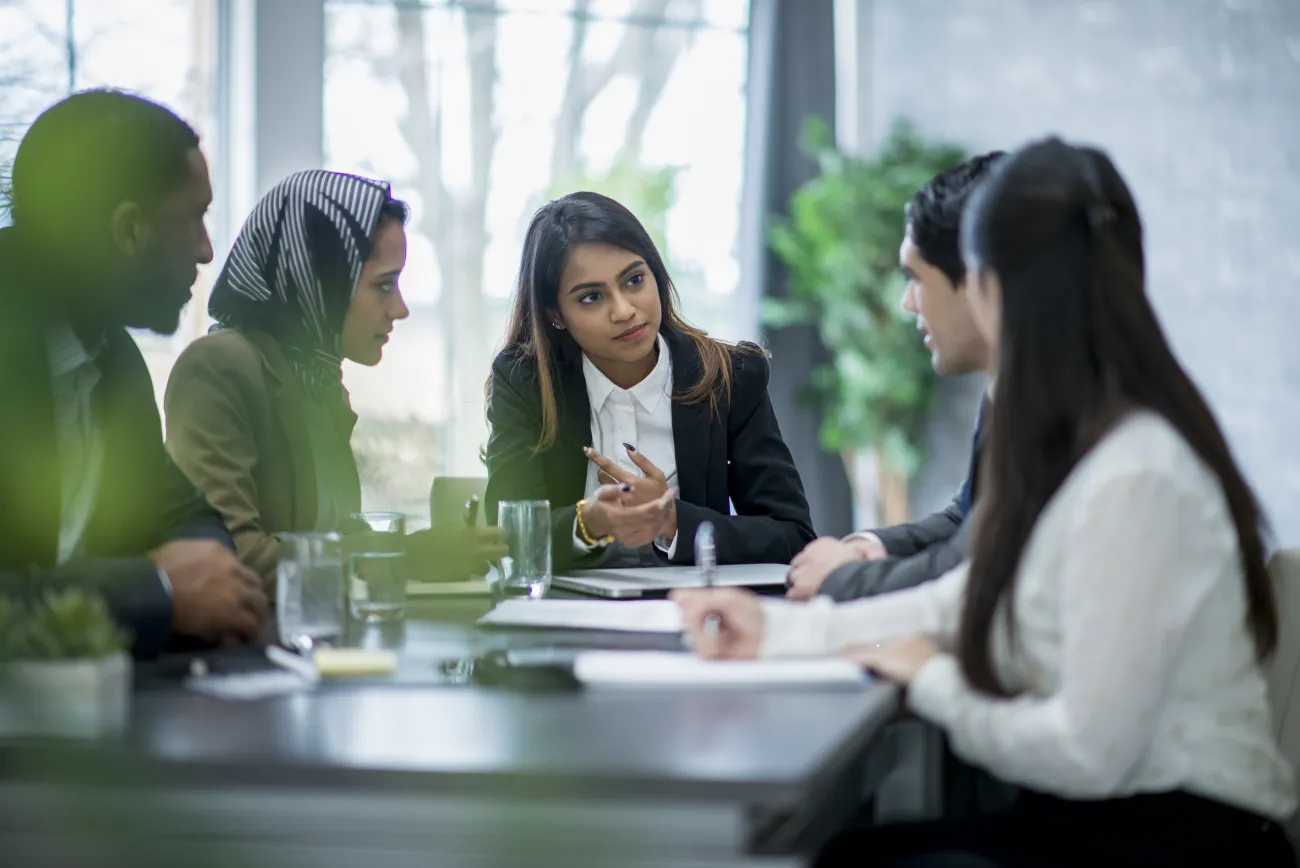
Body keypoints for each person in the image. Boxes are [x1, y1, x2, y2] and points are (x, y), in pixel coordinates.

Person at [676, 137, 1297, 867]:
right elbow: (961, 603)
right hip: (1111, 825)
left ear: (994, 287)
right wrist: (772, 632)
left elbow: (1085, 754)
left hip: (1177, 844)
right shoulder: (1082, 440)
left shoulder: (1136, 473)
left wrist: (928, 677)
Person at [0, 89, 267, 657]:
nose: (206, 249)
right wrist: (156, 590)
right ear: (128, 230)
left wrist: (199, 572)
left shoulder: (110, 359)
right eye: (194, 218)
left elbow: (187, 515)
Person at [165, 170, 506, 588]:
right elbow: (231, 558)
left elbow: (330, 540)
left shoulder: (317, 380)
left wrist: (423, 549)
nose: (400, 309)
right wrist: (403, 556)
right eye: (383, 285)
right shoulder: (219, 367)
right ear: (318, 280)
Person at [484, 191, 814, 570]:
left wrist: (672, 520)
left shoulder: (730, 376)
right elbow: (505, 536)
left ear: (656, 275)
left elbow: (793, 537)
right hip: (568, 619)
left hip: (697, 616)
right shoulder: (525, 381)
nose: (624, 310)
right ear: (556, 313)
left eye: (634, 280)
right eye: (591, 297)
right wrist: (586, 522)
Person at [786, 152, 1004, 604]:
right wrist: (872, 546)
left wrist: (840, 579)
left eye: (916, 277)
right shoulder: (1005, 392)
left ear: (982, 279)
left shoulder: (1059, 413)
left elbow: (968, 569)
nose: (907, 303)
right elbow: (967, 519)